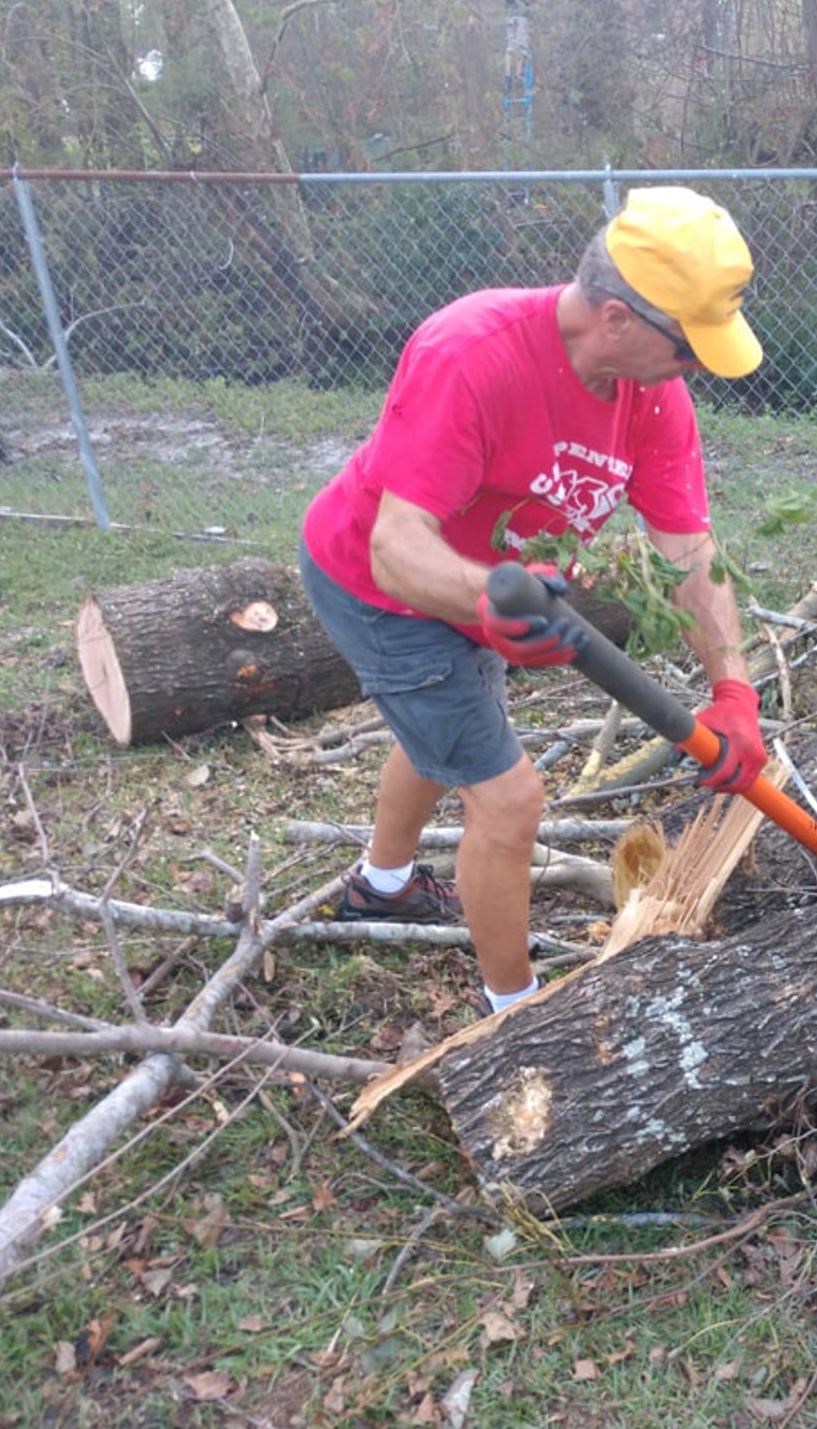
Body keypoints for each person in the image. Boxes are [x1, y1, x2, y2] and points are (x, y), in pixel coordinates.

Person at [299, 186, 768, 1017]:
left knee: (450, 722)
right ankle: (514, 1011)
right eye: (690, 348)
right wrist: (487, 598)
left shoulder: (654, 396)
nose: (696, 367)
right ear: (619, 318)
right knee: (509, 795)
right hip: (380, 588)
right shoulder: (470, 353)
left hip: (489, 585)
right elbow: (397, 547)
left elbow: (690, 550)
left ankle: (381, 884)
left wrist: (732, 691)